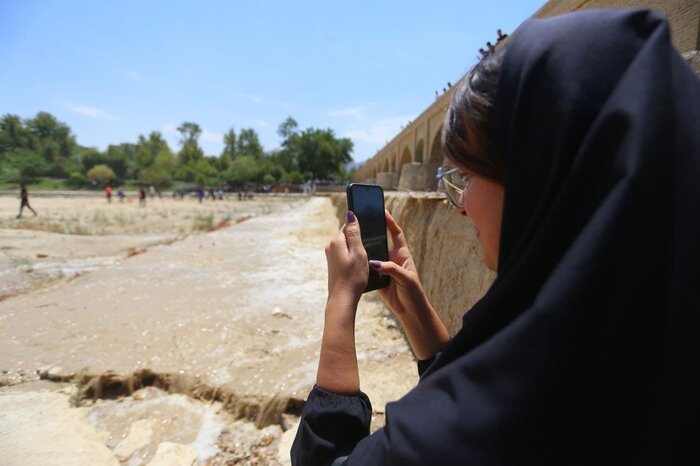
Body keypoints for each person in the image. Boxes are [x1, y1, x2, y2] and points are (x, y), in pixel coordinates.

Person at [291, 9, 700, 466]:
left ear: (536, 178)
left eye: (466, 175)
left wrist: (340, 302)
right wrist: (420, 318)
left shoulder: (491, 425)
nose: (461, 204)